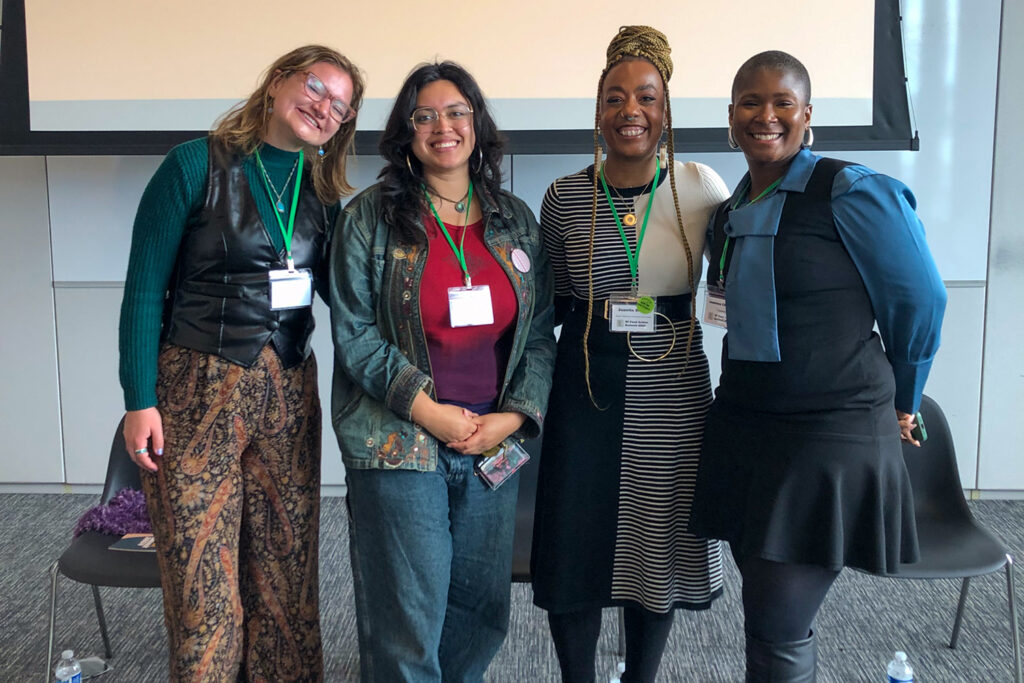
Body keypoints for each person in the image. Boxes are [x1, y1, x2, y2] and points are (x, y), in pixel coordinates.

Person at [689, 50, 947, 681]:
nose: (766, 116)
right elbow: (728, 315)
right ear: (730, 117)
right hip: (748, 429)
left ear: (808, 114)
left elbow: (918, 299)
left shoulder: (852, 190)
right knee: (772, 615)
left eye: (783, 103)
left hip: (826, 435)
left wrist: (906, 398)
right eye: (750, 102)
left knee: (776, 626)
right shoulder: (729, 210)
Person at [118, 45, 364, 681]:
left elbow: (345, 299)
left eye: (341, 106)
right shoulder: (193, 165)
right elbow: (145, 288)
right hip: (195, 391)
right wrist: (137, 398)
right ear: (279, 79)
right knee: (202, 582)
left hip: (287, 396)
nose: (324, 108)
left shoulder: (323, 192)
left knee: (287, 574)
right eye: (315, 87)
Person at [328, 61, 556, 682]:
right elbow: (354, 335)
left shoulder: (513, 220)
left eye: (456, 112)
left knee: (480, 611)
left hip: (490, 444)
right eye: (423, 116)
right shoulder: (368, 218)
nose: (442, 127)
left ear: (477, 124)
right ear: (405, 134)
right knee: (408, 616)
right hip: (398, 439)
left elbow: (537, 336)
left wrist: (509, 418)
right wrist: (428, 409)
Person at [530, 26, 731, 683]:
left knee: (658, 546)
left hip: (672, 393)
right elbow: (552, 302)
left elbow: (732, 292)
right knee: (575, 542)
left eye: (645, 96)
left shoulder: (702, 188)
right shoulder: (564, 196)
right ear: (598, 112)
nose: (630, 111)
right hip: (585, 386)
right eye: (614, 98)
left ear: (666, 109)